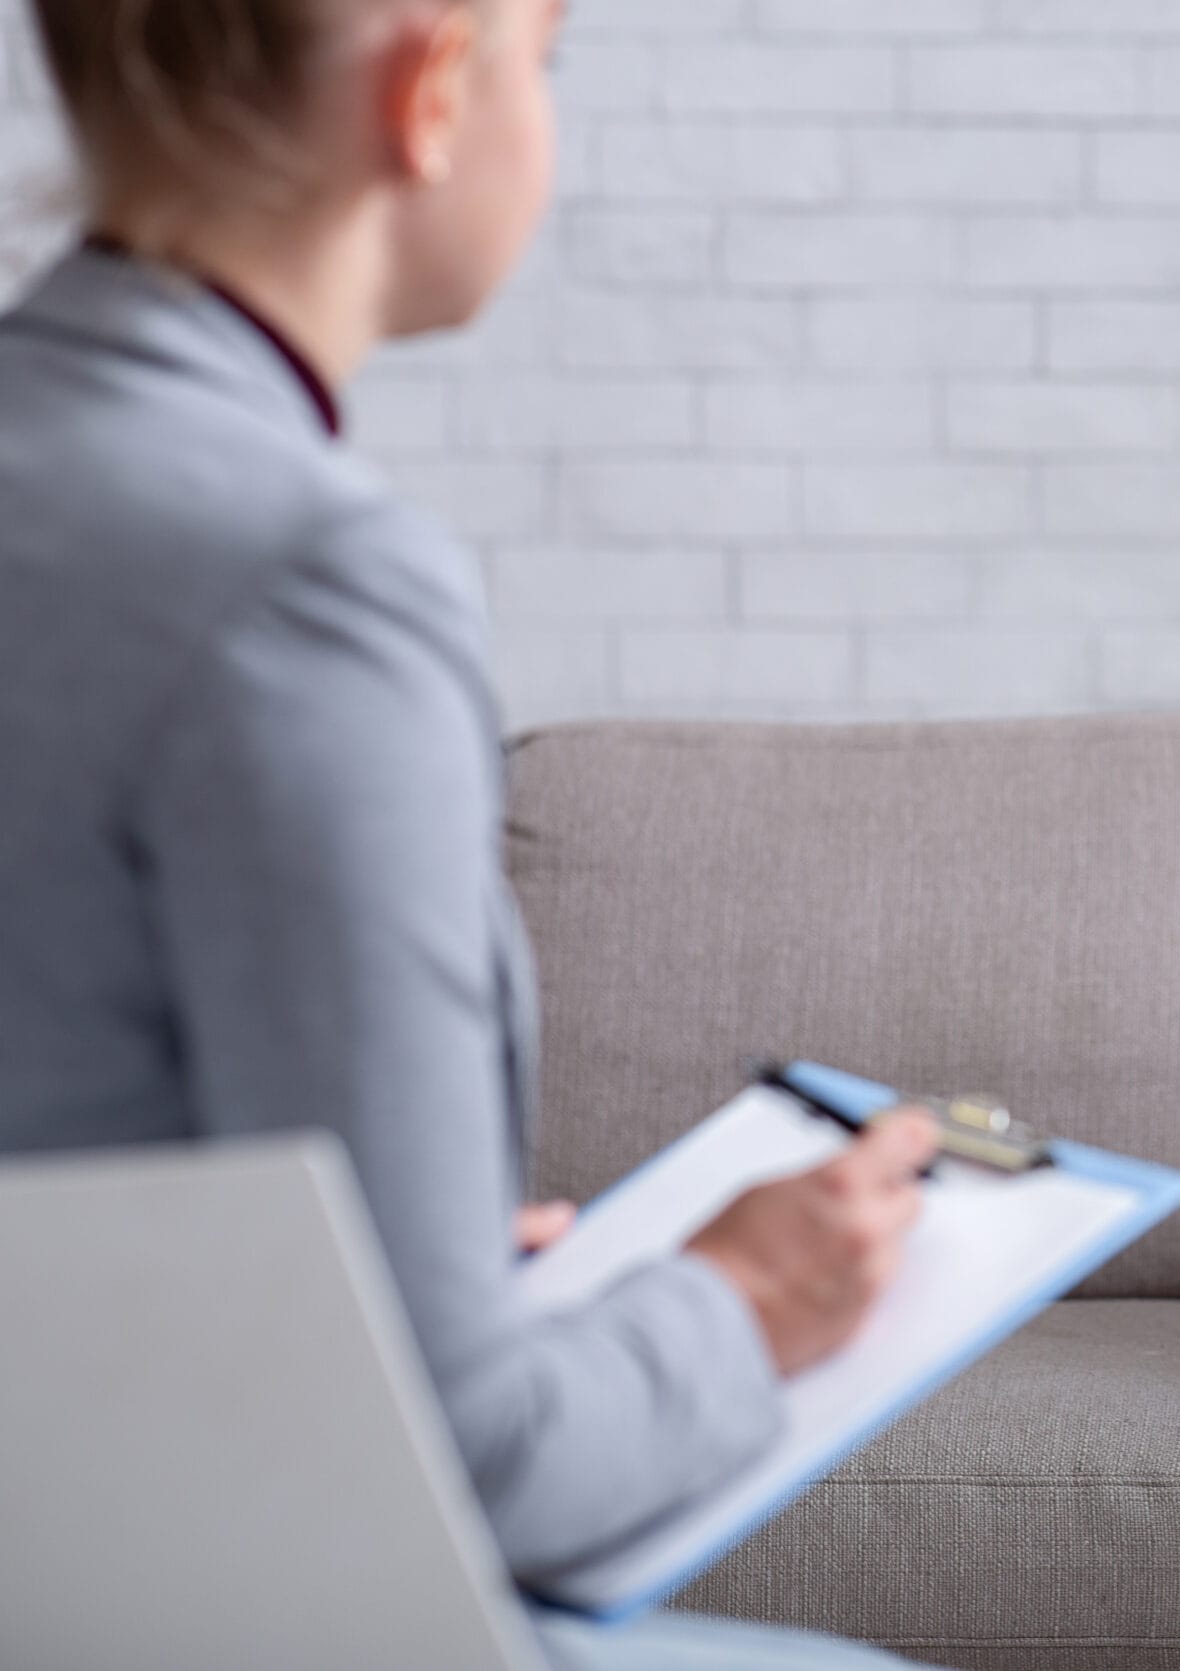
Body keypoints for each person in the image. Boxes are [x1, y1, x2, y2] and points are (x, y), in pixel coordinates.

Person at [0, 2, 953, 1666]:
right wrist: (746, 1301)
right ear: (432, 90)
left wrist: (360, 1276)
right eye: (549, 60)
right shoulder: (303, 585)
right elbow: (480, 1459)